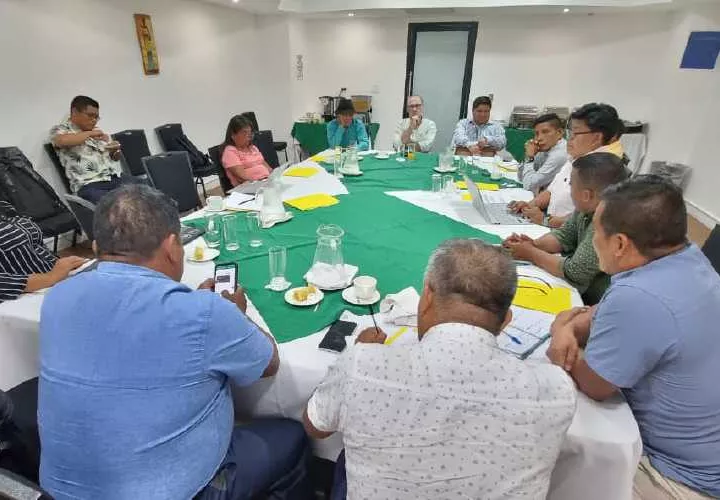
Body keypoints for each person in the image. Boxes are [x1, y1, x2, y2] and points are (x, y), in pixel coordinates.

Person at [38, 185, 312, 500]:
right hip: (177, 491)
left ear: (98, 247)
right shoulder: (204, 313)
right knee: (291, 436)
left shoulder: (57, 296)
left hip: (56, 493)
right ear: (171, 247)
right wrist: (234, 315)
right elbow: (268, 363)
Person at [303, 239, 576, 499]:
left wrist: (357, 356)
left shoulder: (362, 363)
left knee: (345, 459)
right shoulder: (556, 390)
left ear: (427, 298)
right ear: (506, 320)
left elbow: (315, 425)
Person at [547, 176, 720, 499]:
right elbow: (599, 313)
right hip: (707, 454)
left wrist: (560, 334)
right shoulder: (687, 260)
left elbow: (595, 385)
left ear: (620, 244)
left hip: (681, 478)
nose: (593, 241)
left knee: (555, 456)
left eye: (596, 233)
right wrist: (571, 327)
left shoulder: (639, 296)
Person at [503, 153, 628, 305]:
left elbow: (575, 271)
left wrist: (531, 253)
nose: (569, 189)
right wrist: (532, 244)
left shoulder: (607, 222)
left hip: (595, 301)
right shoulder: (586, 208)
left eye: (571, 184)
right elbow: (564, 235)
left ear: (586, 195)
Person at [510, 103, 625, 228]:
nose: (569, 139)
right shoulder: (577, 156)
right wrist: (530, 205)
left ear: (596, 138)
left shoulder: (605, 169)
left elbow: (587, 222)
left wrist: (545, 220)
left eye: (575, 133)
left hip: (562, 231)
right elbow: (551, 191)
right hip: (550, 225)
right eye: (570, 132)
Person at [0, 201, 85, 303]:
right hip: (28, 296)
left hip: (58, 278)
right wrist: (51, 277)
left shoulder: (5, 206)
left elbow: (34, 246)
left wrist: (66, 266)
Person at [50, 95, 127, 203]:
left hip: (113, 178)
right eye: (90, 116)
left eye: (96, 117)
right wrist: (91, 133)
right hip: (89, 185)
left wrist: (115, 151)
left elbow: (114, 158)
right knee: (119, 204)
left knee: (144, 191)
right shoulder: (61, 130)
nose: (94, 120)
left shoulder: (95, 131)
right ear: (75, 112)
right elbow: (61, 141)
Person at [517, 113, 568, 193]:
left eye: (545, 132)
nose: (539, 138)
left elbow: (528, 185)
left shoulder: (559, 155)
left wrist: (530, 158)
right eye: (537, 134)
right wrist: (528, 156)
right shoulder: (546, 147)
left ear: (560, 132)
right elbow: (521, 178)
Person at [220, 114, 272, 187]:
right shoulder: (230, 152)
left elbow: (268, 168)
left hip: (266, 182)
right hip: (250, 188)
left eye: (250, 132)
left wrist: (273, 177)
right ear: (233, 135)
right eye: (244, 133)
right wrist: (264, 182)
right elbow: (242, 178)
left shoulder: (253, 148)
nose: (249, 136)